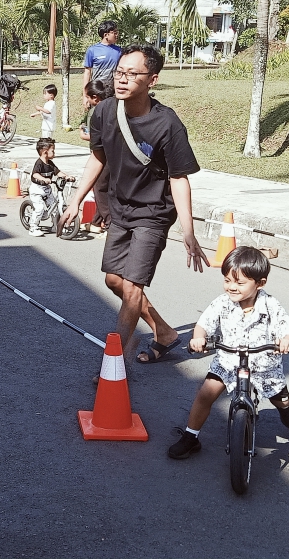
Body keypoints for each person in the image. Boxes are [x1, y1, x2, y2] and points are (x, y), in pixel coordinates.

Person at [61, 44, 209, 370]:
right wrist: (75, 200)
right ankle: (165, 332)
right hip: (121, 207)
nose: (122, 80)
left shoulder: (167, 125)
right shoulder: (102, 112)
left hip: (153, 212)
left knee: (132, 288)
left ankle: (113, 364)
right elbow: (97, 158)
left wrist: (188, 231)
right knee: (114, 281)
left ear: (152, 79)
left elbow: (179, 179)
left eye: (132, 74)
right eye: (119, 72)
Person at [168, 247, 289, 459]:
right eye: (227, 280)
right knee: (205, 394)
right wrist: (198, 337)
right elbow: (204, 324)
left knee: (281, 400)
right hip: (228, 361)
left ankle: (285, 406)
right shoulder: (222, 302)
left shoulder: (270, 304)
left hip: (264, 364)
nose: (231, 287)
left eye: (239, 283)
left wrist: (287, 341)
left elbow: (288, 329)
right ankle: (190, 436)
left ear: (260, 283)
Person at [79, 79, 114, 235]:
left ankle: (110, 223)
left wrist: (84, 134)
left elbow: (97, 137)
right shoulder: (113, 106)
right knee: (106, 187)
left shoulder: (99, 111)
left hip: (103, 155)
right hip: (113, 155)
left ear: (95, 98)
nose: (86, 100)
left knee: (100, 187)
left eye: (87, 96)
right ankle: (96, 222)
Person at [28, 138, 75, 237]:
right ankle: (33, 227)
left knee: (54, 207)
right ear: (45, 152)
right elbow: (35, 174)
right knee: (39, 208)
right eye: (53, 151)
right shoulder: (39, 163)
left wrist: (67, 176)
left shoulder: (50, 163)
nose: (54, 153)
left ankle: (55, 225)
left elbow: (58, 172)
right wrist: (43, 179)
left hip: (46, 189)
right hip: (37, 189)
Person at [82, 20, 121, 108]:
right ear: (106, 35)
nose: (116, 35)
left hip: (112, 92)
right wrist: (85, 96)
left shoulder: (119, 51)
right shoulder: (92, 50)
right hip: (97, 91)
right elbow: (87, 73)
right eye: (114, 33)